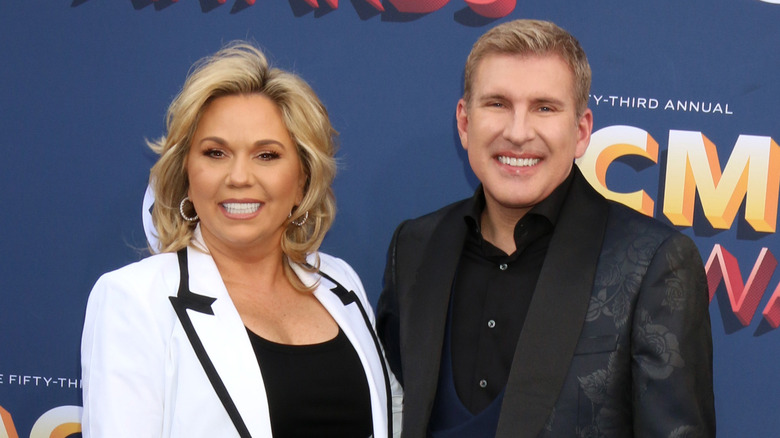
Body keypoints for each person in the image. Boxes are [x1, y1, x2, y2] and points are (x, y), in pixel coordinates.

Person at [376, 19, 714, 438]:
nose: (518, 132)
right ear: (464, 123)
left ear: (581, 131)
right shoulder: (414, 247)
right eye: (497, 104)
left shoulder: (653, 263)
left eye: (545, 107)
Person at [81, 41, 402, 438]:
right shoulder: (133, 300)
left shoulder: (340, 283)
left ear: (302, 179)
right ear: (186, 173)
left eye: (266, 155)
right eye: (215, 153)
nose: (238, 177)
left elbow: (393, 415)